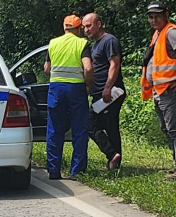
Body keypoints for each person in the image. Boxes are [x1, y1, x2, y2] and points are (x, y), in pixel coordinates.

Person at [140, 2, 176, 180]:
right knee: (167, 129)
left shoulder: (171, 32)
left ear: (166, 14)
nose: (154, 19)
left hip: (171, 90)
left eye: (157, 15)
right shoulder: (159, 33)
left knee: (174, 129)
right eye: (151, 16)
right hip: (161, 90)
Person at [44, 15, 93, 180]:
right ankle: (77, 171)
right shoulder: (82, 43)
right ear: (78, 29)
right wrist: (88, 85)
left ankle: (53, 170)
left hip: (56, 88)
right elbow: (88, 67)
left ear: (64, 27)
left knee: (54, 129)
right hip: (76, 88)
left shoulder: (53, 43)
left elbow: (46, 69)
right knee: (79, 129)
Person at [82, 13, 125, 170]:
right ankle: (114, 160)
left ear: (98, 24)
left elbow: (114, 65)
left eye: (89, 26)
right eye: (84, 27)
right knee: (107, 125)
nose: (86, 30)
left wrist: (107, 88)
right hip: (98, 93)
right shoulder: (95, 45)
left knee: (90, 122)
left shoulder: (109, 41)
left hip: (111, 93)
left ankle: (113, 155)